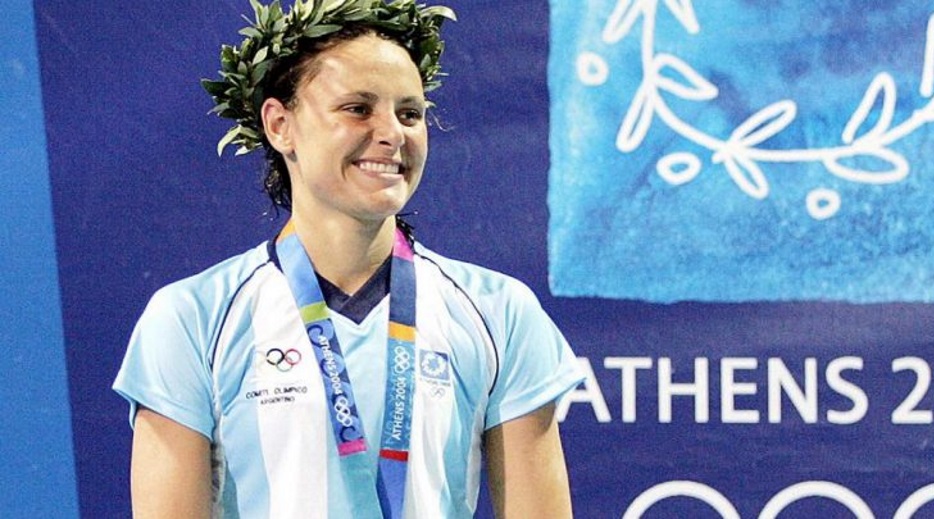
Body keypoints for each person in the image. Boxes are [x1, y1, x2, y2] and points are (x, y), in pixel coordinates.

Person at [112, 0, 582, 518]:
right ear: (279, 124)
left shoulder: (500, 312)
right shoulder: (192, 318)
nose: (392, 133)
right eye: (358, 108)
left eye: (409, 113)